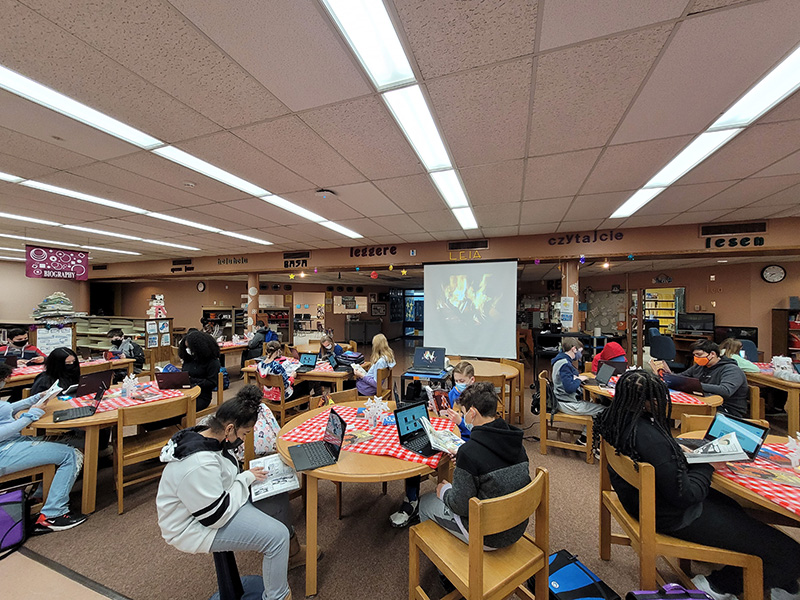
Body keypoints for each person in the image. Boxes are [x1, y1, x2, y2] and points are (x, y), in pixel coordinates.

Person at [593, 370, 800, 600]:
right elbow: (687, 494)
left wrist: (678, 454)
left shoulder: (615, 418)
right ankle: (716, 584)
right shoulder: (652, 439)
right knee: (791, 554)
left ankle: (782, 580)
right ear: (652, 402)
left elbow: (663, 464)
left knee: (736, 509)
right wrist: (707, 463)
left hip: (643, 502)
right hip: (673, 515)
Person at [156, 386, 298, 600]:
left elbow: (225, 483)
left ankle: (292, 553)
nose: (244, 438)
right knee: (276, 537)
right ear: (230, 428)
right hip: (194, 526)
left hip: (219, 501)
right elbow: (215, 516)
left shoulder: (210, 435)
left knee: (276, 496)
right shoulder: (198, 464)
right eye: (245, 433)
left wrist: (246, 478)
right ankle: (278, 596)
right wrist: (246, 479)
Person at [417, 382, 531, 548]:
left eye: (462, 413)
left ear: (472, 413)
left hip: (487, 536)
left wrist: (444, 492)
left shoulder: (469, 452)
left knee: (426, 502)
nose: (463, 418)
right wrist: (464, 463)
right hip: (516, 527)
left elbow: (460, 506)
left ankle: (443, 565)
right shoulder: (515, 442)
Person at [0, 362, 87, 532]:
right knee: (70, 455)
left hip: (12, 444)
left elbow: (7, 409)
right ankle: (53, 514)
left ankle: (40, 495)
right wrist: (31, 414)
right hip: (4, 452)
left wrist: (37, 398)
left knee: (70, 441)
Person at [389, 361, 474, 528]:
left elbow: (476, 430)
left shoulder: (476, 400)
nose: (458, 385)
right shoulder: (454, 392)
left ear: (472, 380)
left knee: (424, 449)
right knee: (418, 448)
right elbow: (446, 410)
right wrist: (436, 407)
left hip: (465, 439)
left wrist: (461, 422)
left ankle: (428, 498)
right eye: (456, 380)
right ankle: (411, 497)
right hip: (450, 432)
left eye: (462, 381)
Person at [551, 337, 605, 444]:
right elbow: (570, 388)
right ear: (574, 349)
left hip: (561, 399)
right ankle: (587, 439)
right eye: (580, 351)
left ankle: (585, 436)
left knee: (594, 406)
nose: (581, 355)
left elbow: (565, 379)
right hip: (567, 403)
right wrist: (579, 379)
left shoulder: (560, 360)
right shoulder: (565, 364)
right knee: (604, 410)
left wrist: (575, 378)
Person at [680, 340, 748, 417]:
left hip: (728, 410)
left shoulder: (731, 369)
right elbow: (682, 377)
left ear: (712, 354)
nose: (696, 358)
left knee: (688, 414)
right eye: (694, 355)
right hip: (706, 403)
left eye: (699, 355)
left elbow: (726, 390)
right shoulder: (699, 366)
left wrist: (696, 385)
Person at [179, 331, 221, 412]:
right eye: (186, 348)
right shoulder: (189, 359)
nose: (188, 350)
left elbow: (212, 383)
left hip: (201, 397)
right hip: (186, 392)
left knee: (180, 409)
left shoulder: (212, 362)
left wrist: (191, 380)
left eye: (190, 348)